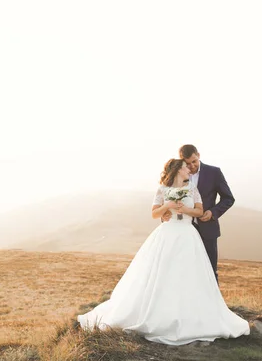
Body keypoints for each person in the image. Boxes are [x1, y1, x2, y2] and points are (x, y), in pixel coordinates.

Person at [77, 158, 249, 345]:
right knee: (162, 273)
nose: (188, 170)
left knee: (188, 274)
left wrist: (186, 209)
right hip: (167, 233)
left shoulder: (192, 188)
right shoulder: (162, 189)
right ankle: (158, 313)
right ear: (177, 170)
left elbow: (199, 212)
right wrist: (167, 206)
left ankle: (189, 314)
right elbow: (154, 213)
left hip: (188, 235)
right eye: (184, 167)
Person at [163, 145, 235, 283]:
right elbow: (166, 199)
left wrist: (213, 212)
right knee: (182, 269)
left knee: (209, 270)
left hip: (207, 229)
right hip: (181, 231)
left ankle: (213, 303)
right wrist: (165, 215)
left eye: (194, 161)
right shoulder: (176, 174)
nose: (191, 166)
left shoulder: (214, 172)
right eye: (188, 163)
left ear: (199, 155)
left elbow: (228, 198)